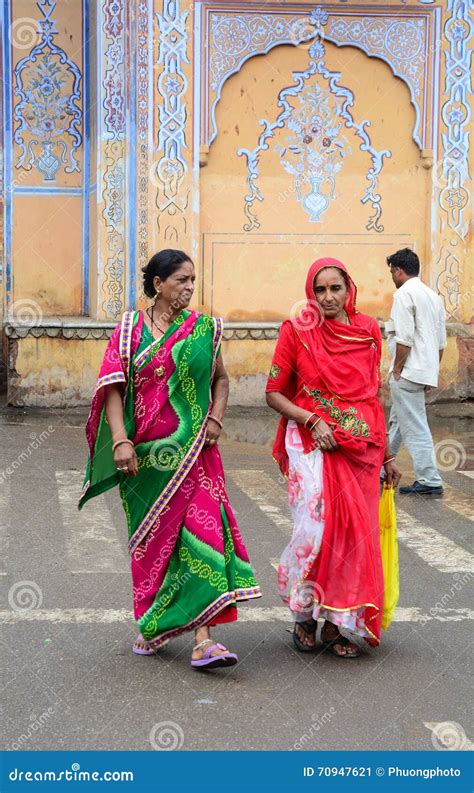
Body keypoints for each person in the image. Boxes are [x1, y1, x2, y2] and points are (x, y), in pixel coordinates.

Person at [79, 249, 261, 669]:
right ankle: (155, 622)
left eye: (193, 280)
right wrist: (120, 440)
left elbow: (221, 380)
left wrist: (216, 417)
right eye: (181, 280)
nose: (190, 288)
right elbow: (112, 389)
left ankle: (204, 638)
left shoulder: (203, 329)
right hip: (144, 462)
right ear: (158, 284)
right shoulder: (128, 330)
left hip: (196, 455)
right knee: (154, 547)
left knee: (203, 537)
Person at [266, 257, 400, 657]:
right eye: (319, 290)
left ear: (348, 289)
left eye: (334, 288)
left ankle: (338, 624)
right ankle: (305, 614)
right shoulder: (296, 331)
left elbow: (370, 397)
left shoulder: (367, 331)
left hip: (361, 445)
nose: (327, 297)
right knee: (316, 531)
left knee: (354, 538)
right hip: (312, 442)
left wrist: (388, 456)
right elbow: (273, 393)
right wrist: (312, 421)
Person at [385, 248, 447, 496]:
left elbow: (404, 338)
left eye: (392, 271)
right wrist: (432, 371)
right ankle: (380, 468)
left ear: (399, 271)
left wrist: (397, 369)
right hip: (423, 370)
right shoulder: (433, 296)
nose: (392, 276)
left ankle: (429, 479)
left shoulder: (403, 295)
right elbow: (441, 341)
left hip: (408, 371)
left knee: (415, 425)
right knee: (398, 421)